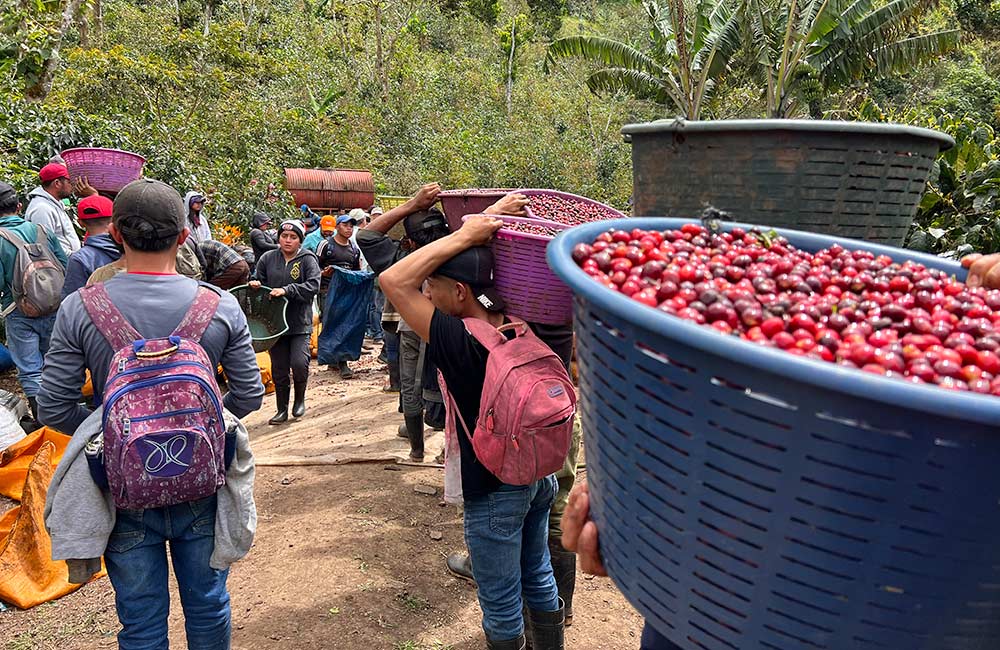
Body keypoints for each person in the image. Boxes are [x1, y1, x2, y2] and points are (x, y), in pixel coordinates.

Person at [36, 178, 264, 650]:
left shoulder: (80, 308)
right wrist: (197, 423)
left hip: (122, 491)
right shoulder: (219, 305)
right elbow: (249, 395)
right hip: (202, 484)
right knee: (207, 604)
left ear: (115, 234)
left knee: (139, 620)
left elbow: (53, 405)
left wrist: (113, 429)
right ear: (184, 237)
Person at [381, 216, 564, 650]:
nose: (427, 294)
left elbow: (393, 280)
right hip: (539, 475)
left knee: (500, 601)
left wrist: (463, 235)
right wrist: (481, 227)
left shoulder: (456, 338)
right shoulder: (519, 320)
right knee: (537, 572)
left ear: (459, 292)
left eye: (434, 286)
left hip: (494, 486)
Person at [0, 181, 68, 427]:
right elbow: (63, 264)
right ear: (19, 206)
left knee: (30, 370)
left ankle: (45, 422)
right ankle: (65, 415)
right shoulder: (42, 230)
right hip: (53, 305)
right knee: (55, 361)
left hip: (20, 312)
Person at [252, 219, 320, 424]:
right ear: (278, 237)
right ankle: (281, 409)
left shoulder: (307, 259)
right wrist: (256, 285)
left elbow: (313, 285)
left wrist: (288, 290)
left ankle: (299, 400)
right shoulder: (267, 258)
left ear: (300, 240)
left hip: (299, 321)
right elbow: (260, 280)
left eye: (293, 237)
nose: (287, 240)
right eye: (284, 236)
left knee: (299, 363)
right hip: (274, 324)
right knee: (279, 368)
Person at [317, 213, 364, 378]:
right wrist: (324, 273)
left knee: (345, 323)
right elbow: (314, 268)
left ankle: (342, 361)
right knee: (330, 323)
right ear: (337, 227)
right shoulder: (326, 245)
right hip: (327, 290)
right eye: (345, 225)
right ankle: (331, 357)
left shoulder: (354, 248)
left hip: (346, 291)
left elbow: (356, 272)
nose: (349, 228)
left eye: (351, 226)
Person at [61, 195, 121, 299]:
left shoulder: (80, 259)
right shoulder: (131, 249)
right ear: (114, 219)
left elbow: (72, 301)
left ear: (80, 223)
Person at [26, 162, 79, 255]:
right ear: (57, 183)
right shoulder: (42, 209)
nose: (72, 185)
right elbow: (45, 247)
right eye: (69, 182)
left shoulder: (54, 203)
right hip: (59, 266)